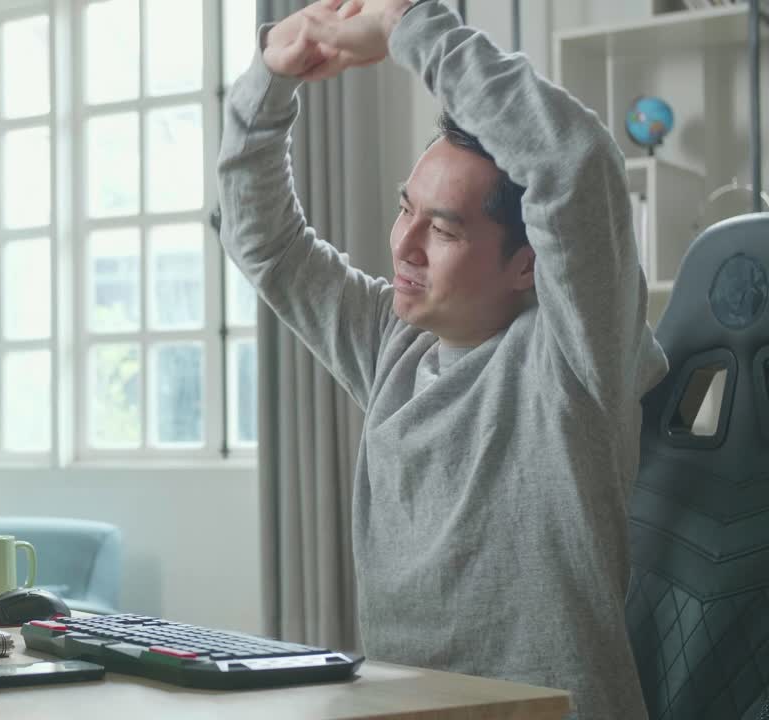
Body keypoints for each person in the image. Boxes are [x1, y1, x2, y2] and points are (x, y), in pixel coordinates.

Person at [216, 1, 669, 718]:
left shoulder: (574, 360)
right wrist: (270, 75)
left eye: (446, 230)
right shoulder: (389, 346)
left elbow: (573, 161)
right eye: (406, 210)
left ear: (527, 264)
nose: (404, 245)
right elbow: (265, 244)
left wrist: (407, 26)